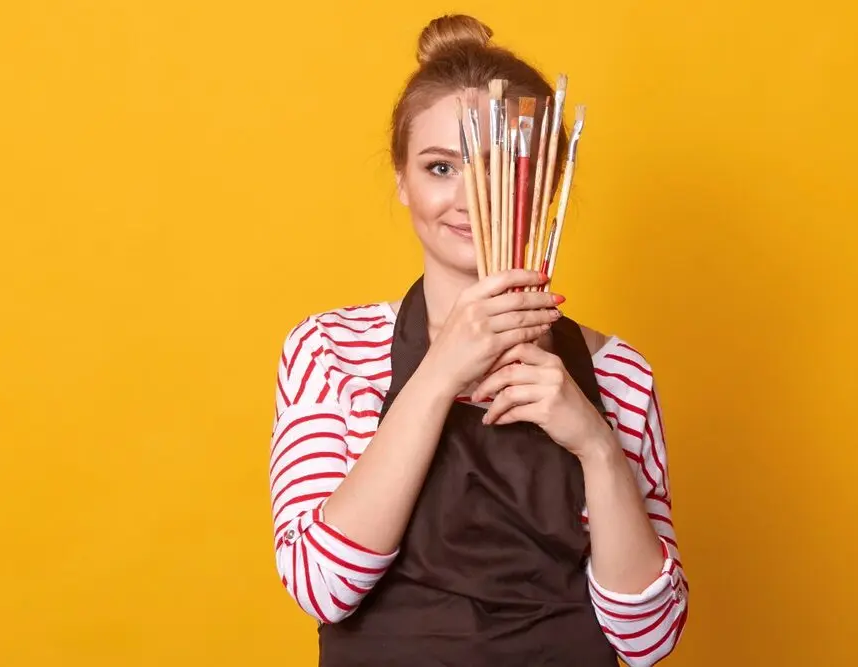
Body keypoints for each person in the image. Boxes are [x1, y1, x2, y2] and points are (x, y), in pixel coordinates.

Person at [268, 14, 688, 667]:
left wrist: (595, 443)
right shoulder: (329, 351)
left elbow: (648, 639)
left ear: (550, 185)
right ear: (402, 181)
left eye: (504, 168)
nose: (469, 196)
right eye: (439, 167)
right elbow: (325, 586)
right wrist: (439, 374)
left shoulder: (618, 372)